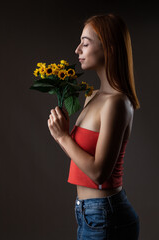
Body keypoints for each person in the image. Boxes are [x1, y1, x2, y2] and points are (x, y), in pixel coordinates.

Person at [47, 13, 140, 240]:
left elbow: (99, 173)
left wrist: (63, 138)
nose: (78, 49)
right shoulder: (93, 96)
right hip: (89, 213)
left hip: (105, 216)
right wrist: (63, 131)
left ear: (108, 49)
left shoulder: (117, 102)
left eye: (85, 43)